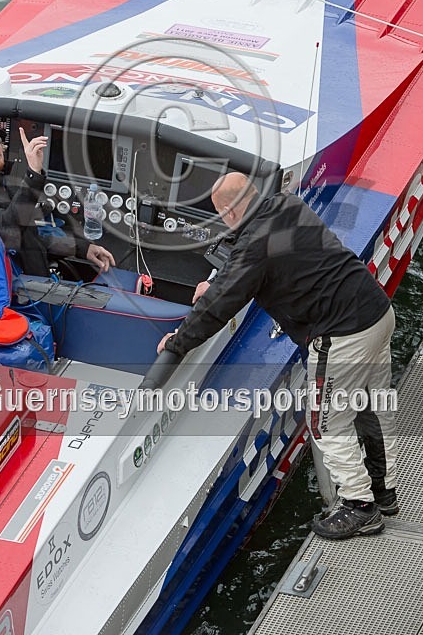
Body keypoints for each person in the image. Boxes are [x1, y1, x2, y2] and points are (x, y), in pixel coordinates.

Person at [158, 172, 397, 540]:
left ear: (229, 212)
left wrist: (176, 343)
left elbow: (218, 307)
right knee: (367, 405)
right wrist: (227, 274)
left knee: (326, 422)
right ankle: (383, 491)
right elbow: (272, 255)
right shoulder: (288, 204)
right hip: (376, 312)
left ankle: (360, 506)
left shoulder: (254, 245)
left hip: (342, 334)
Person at [0, 120, 115, 276]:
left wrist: (83, 248)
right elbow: (10, 229)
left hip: (37, 281)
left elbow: (35, 238)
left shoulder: (6, 187)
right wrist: (33, 173)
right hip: (19, 292)